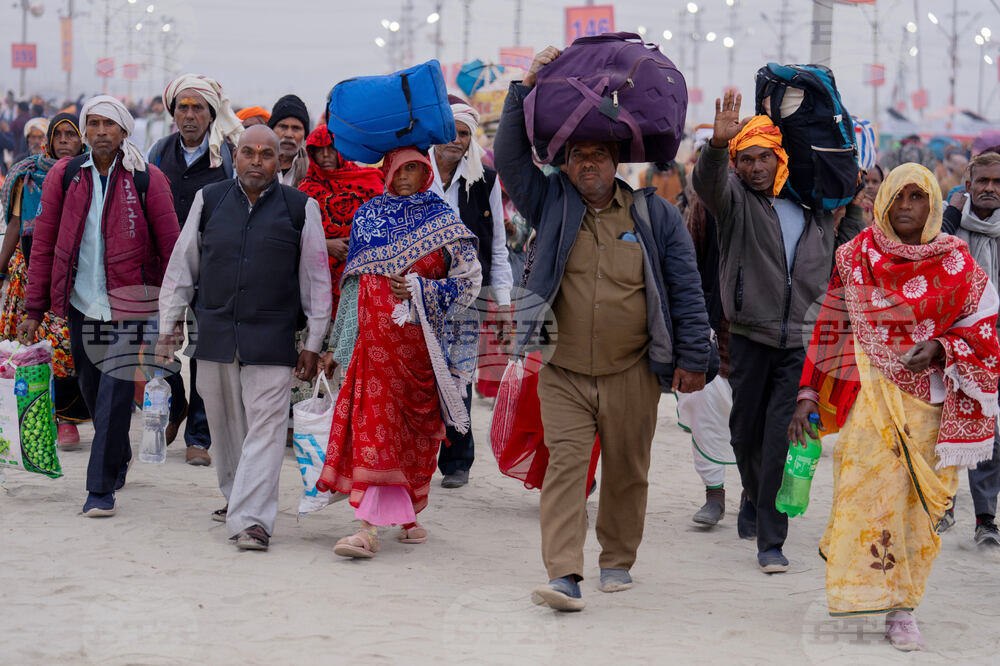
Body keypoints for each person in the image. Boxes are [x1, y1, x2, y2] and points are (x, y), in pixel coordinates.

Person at [495, 47, 712, 612]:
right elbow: (511, 159)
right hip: (563, 371)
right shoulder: (551, 204)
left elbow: (686, 290)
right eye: (577, 155)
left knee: (627, 471)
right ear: (565, 165)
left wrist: (693, 357)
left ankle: (617, 559)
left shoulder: (655, 215)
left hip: (633, 370)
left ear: (617, 161)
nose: (587, 163)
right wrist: (525, 87)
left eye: (598, 154)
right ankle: (564, 573)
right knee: (565, 469)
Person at [790, 163, 1000, 652]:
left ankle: (903, 608)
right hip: (868, 400)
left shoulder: (957, 263)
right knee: (863, 492)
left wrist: (943, 347)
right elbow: (830, 327)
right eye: (897, 196)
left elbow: (987, 331)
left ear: (933, 204)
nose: (906, 206)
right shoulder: (855, 257)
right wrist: (807, 394)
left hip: (930, 408)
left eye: (917, 196)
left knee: (913, 511)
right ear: (881, 200)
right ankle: (866, 592)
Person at [692, 90, 864, 574]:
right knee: (743, 433)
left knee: (778, 438)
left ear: (780, 158)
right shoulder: (736, 203)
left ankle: (771, 540)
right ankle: (753, 494)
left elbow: (848, 243)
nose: (755, 168)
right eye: (745, 159)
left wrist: (852, 200)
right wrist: (716, 146)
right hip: (750, 335)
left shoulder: (814, 207)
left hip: (801, 344)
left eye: (763, 157)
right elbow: (708, 184)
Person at [156, 125, 331, 550]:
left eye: (266, 154)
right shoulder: (210, 199)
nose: (256, 161)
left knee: (266, 428)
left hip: (271, 337)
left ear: (278, 161)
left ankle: (253, 521)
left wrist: (313, 342)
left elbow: (315, 279)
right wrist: (168, 323)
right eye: (248, 153)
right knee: (225, 426)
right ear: (235, 159)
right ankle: (237, 496)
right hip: (215, 335)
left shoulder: (299, 208)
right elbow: (183, 265)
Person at [314, 146, 482, 559]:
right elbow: (354, 287)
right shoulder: (368, 216)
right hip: (373, 350)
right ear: (386, 171)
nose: (405, 176)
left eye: (414, 168)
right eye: (398, 168)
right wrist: (339, 345)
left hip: (422, 353)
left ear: (426, 173)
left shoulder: (443, 218)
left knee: (414, 437)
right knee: (376, 430)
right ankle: (368, 529)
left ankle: (407, 518)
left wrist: (422, 289)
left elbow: (469, 283)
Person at [21, 95, 180, 517]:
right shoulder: (66, 175)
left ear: (124, 131)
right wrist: (34, 310)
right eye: (93, 124)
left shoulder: (147, 179)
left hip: (131, 305)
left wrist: (174, 311)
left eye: (109, 124)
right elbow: (44, 244)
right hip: (83, 303)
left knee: (114, 389)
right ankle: (117, 454)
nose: (100, 132)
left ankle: (100, 489)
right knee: (92, 388)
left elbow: (172, 249)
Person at [147, 73, 245, 466]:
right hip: (164, 267)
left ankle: (199, 437)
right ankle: (177, 404)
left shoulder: (229, 155)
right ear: (173, 113)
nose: (189, 115)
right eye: (183, 108)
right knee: (159, 345)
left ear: (211, 113)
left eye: (198, 108)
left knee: (206, 352)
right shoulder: (158, 152)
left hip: (213, 269)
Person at [429, 98, 513, 488]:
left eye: (463, 134)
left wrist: (504, 303)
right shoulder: (415, 172)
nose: (455, 140)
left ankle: (457, 461)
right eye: (450, 132)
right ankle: (416, 455)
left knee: (459, 375)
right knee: (418, 374)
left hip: (466, 296)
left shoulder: (486, 181)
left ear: (470, 139)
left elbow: (497, 246)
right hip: (419, 290)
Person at [0, 112, 89, 447]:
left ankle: (68, 418)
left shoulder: (89, 174)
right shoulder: (27, 175)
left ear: (81, 140)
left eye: (71, 134)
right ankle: (40, 417)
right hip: (31, 269)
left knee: (67, 346)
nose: (64, 140)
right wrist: (1, 269)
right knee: (33, 345)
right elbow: (15, 225)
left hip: (73, 273)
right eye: (58, 135)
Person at [289, 126, 383, 409]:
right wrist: (325, 245)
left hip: (360, 293)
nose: (326, 156)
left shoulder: (370, 182)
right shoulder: (305, 191)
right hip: (316, 295)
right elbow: (291, 238)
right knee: (311, 366)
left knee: (353, 373)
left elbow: (385, 231)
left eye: (332, 148)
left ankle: (346, 423)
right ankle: (311, 422)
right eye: (318, 151)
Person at [933, 151, 1000, 547]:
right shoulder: (949, 221)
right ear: (968, 184)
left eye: (998, 182)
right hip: (950, 342)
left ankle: (985, 517)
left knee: (990, 428)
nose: (990, 188)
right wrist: (951, 216)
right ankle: (943, 504)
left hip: (994, 342)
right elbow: (931, 255)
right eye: (983, 182)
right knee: (943, 423)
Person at [676, 180, 736, 527]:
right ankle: (714, 494)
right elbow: (688, 264)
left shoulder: (781, 197)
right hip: (713, 326)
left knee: (760, 417)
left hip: (764, 329)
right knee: (704, 407)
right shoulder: (708, 202)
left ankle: (754, 496)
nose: (753, 167)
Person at [268, 95, 309, 188]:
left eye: (296, 128)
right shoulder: (257, 165)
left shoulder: (314, 171)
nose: (289, 134)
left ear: (305, 134)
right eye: (283, 127)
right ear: (272, 130)